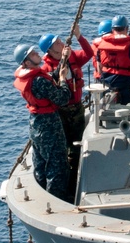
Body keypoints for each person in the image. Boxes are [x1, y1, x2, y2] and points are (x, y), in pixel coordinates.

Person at [12, 43, 71, 200]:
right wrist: (63, 80)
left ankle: (42, 194)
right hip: (49, 124)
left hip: (36, 123)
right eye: (32, 54)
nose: (37, 54)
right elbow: (62, 98)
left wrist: (62, 61)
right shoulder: (38, 80)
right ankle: (56, 200)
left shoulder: (31, 78)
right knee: (57, 165)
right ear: (26, 62)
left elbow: (49, 80)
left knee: (40, 163)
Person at [39, 22, 94, 188]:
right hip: (62, 112)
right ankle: (68, 180)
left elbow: (89, 53)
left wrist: (79, 36)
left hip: (76, 107)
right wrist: (63, 59)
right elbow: (53, 84)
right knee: (65, 145)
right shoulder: (47, 68)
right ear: (50, 50)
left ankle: (78, 173)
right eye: (56, 43)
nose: (61, 42)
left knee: (77, 142)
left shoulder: (73, 57)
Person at [95, 14, 130, 104]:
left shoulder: (101, 46)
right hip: (126, 92)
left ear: (113, 29)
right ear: (127, 29)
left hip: (106, 90)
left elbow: (99, 69)